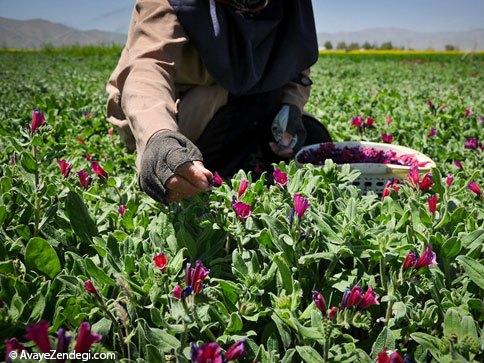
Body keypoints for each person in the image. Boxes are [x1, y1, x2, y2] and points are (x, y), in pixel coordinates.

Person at [106, 0, 331, 203]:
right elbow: (148, 69)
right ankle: (221, 161)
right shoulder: (169, 3)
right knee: (187, 154)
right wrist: (158, 137)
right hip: (168, 109)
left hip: (245, 98)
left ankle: (247, 152)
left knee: (311, 136)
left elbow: (296, 62)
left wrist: (291, 107)